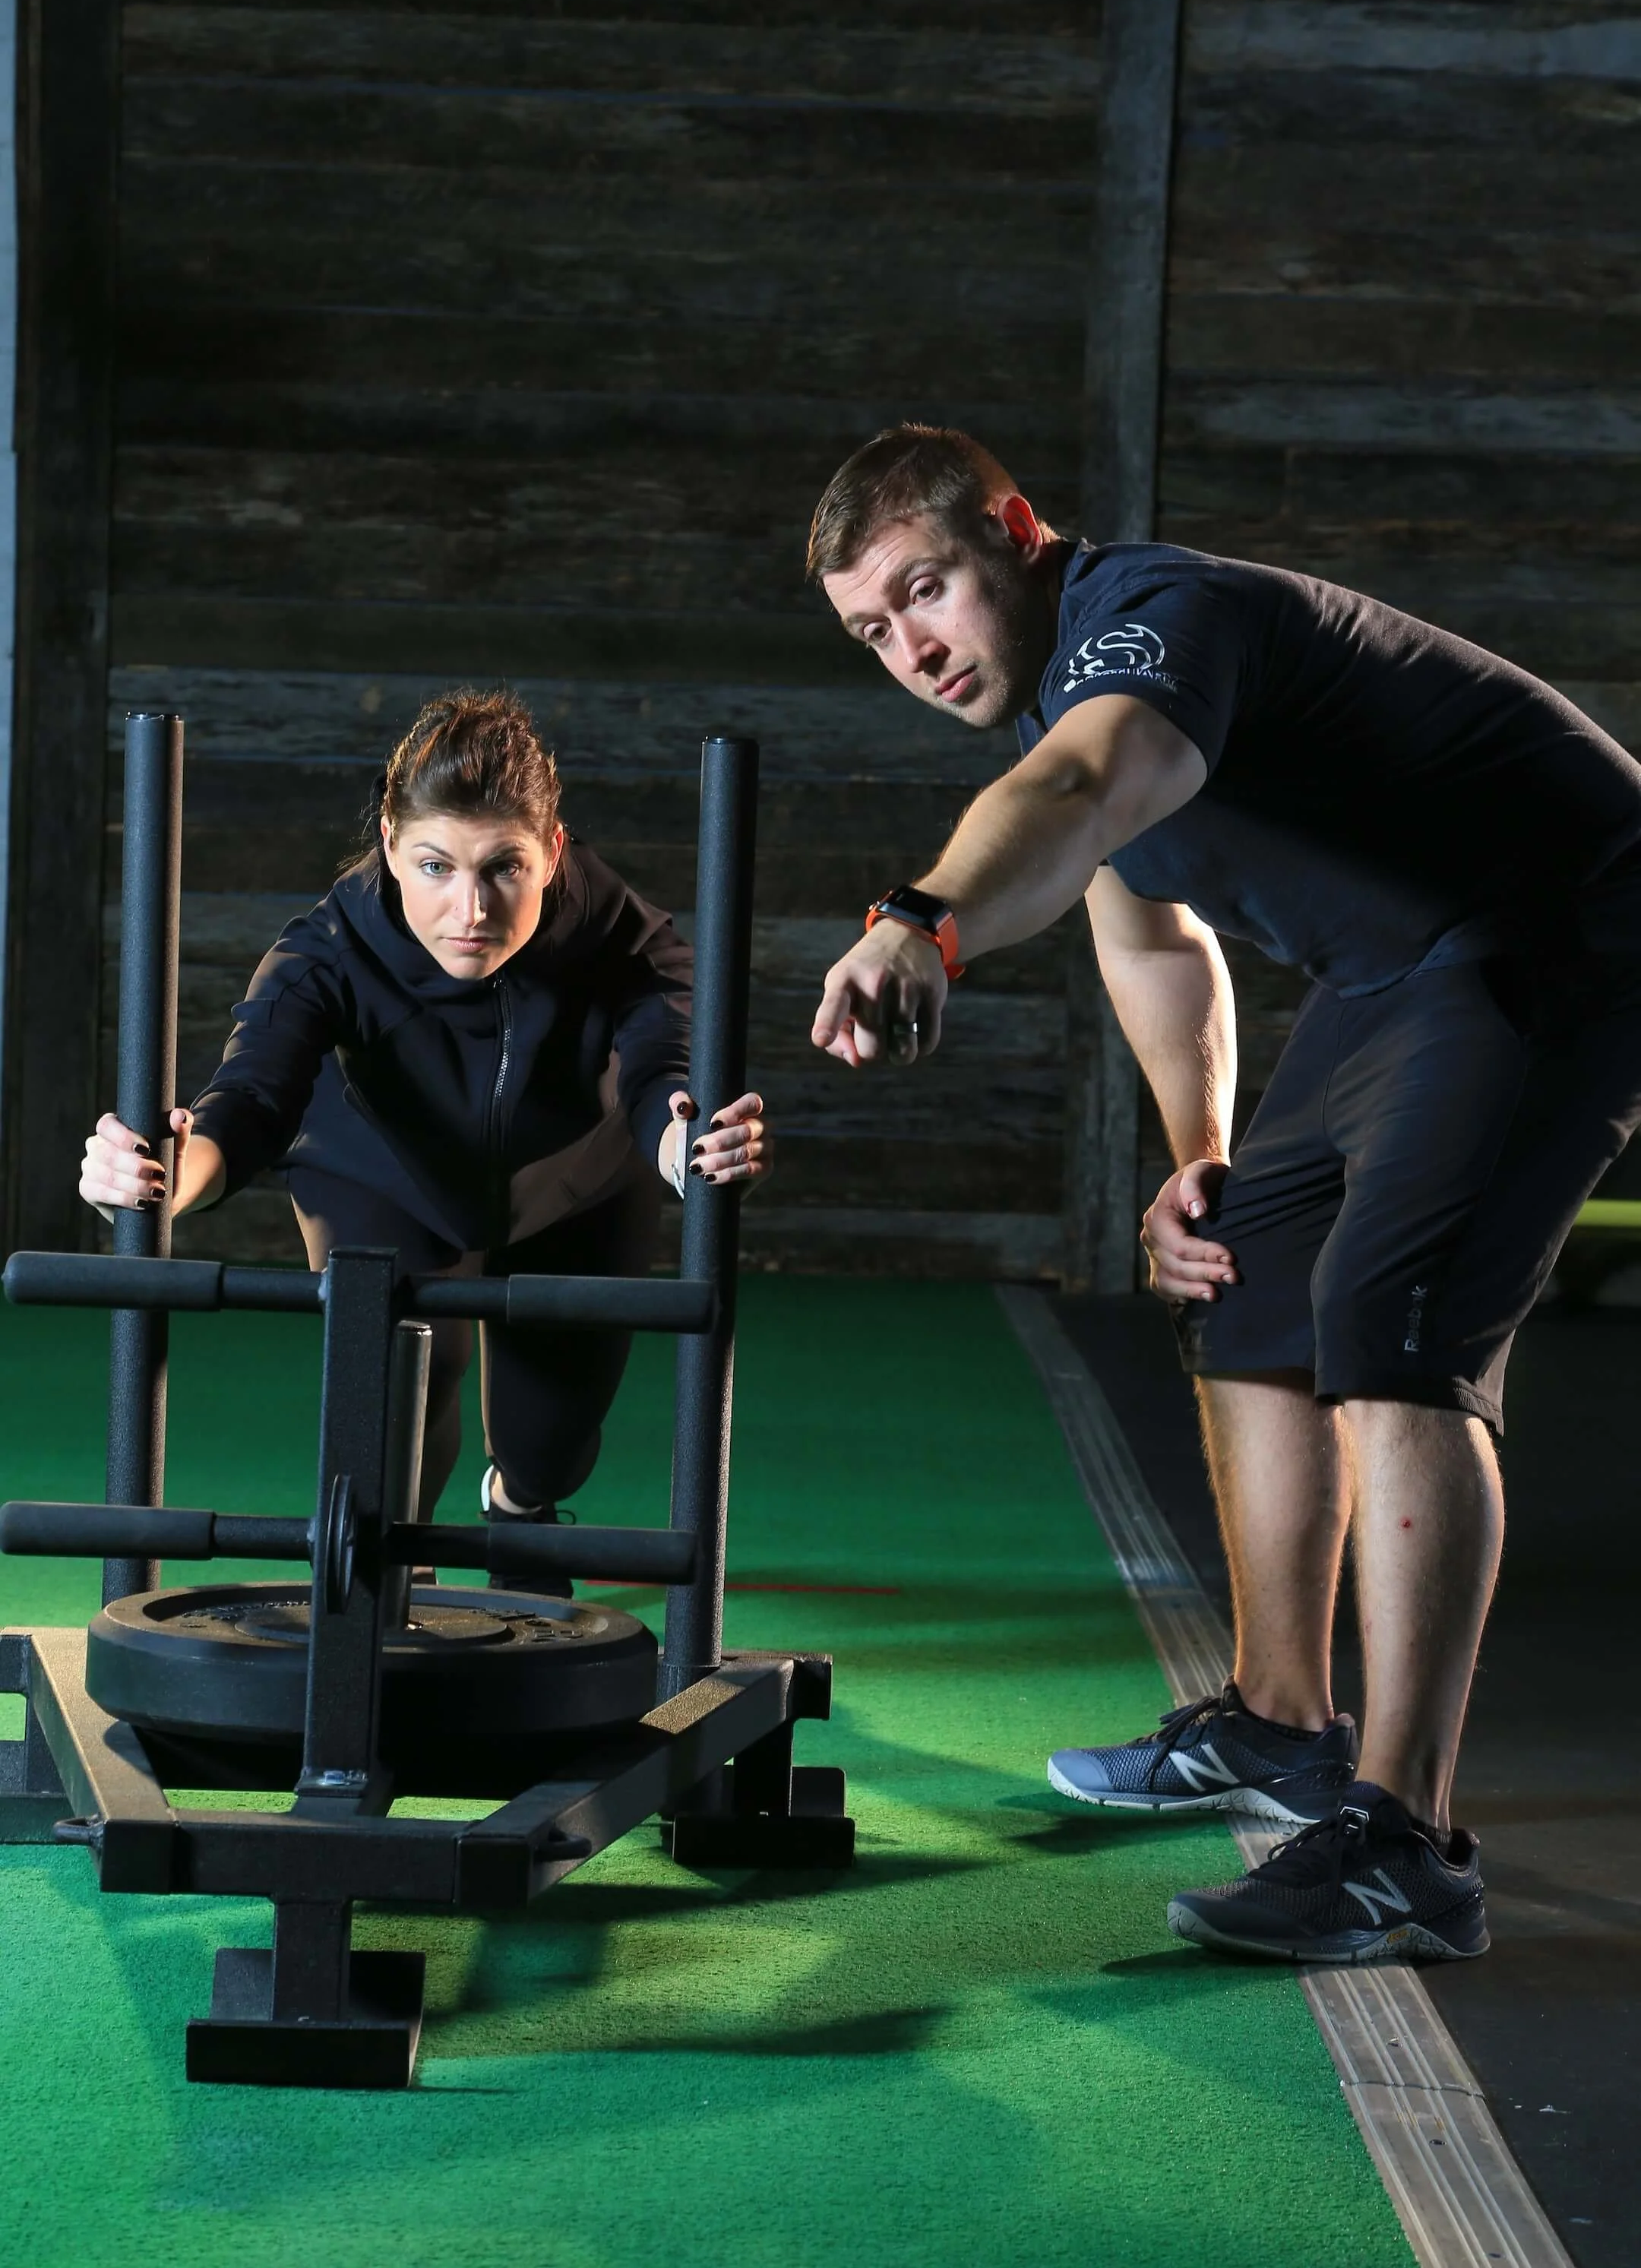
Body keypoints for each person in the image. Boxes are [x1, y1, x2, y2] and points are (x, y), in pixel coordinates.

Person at [804, 422, 1641, 1967]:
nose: (913, 648)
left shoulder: (1155, 623)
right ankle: (1280, 1724)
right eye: (874, 631)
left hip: (1564, 923)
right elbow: (1151, 934)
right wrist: (1203, 1147)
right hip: (1400, 966)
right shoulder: (1064, 697)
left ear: (1019, 532)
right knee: (1246, 1268)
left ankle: (1408, 1846)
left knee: (1389, 1324)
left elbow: (1083, 783)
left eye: (928, 590)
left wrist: (920, 920)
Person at [79, 689, 769, 1578]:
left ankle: (518, 1506)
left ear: (552, 853)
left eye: (504, 869)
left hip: (573, 1179)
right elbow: (246, 1103)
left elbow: (661, 1073)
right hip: (380, 1176)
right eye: (437, 867)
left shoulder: (619, 932)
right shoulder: (324, 953)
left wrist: (691, 1150)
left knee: (549, 1443)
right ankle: (389, 1577)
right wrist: (159, 1179)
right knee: (389, 1433)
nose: (471, 908)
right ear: (392, 850)